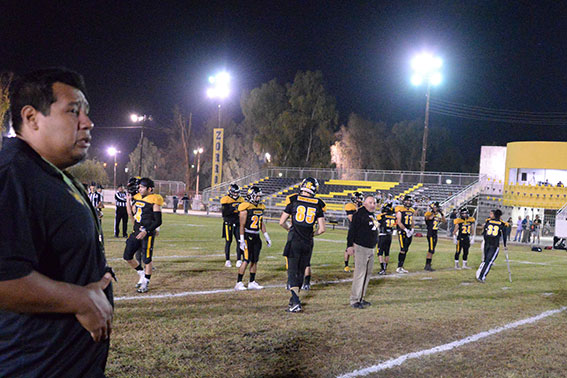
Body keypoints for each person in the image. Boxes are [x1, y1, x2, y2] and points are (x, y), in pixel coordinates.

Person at [0, 68, 113, 376]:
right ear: (32, 117)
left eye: (86, 113)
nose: (87, 123)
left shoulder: (49, 174)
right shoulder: (13, 174)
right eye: (73, 111)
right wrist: (79, 299)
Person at [279, 178, 326, 312]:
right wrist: (312, 234)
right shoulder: (318, 204)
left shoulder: (293, 199)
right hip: (307, 242)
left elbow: (281, 222)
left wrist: (290, 229)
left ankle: (295, 302)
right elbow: (322, 229)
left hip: (294, 240)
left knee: (292, 272)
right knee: (301, 272)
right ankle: (293, 301)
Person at [123, 177, 163, 293]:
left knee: (146, 259)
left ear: (149, 189)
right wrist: (128, 200)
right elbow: (131, 213)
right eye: (139, 187)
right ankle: (141, 273)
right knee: (127, 256)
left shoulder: (155, 200)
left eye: (142, 187)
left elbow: (158, 221)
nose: (139, 189)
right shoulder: (138, 198)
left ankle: (145, 282)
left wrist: (146, 231)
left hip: (147, 234)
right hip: (136, 232)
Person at [234, 186, 271, 291]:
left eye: (259, 196)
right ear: (250, 196)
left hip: (256, 235)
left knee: (255, 260)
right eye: (256, 196)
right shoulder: (245, 207)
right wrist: (241, 239)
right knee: (246, 260)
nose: (258, 198)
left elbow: (261, 222)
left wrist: (266, 235)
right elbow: (242, 225)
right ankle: (239, 282)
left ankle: (252, 282)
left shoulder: (260, 207)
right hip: (247, 235)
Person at [346, 196, 378, 309]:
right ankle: (354, 300)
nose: (373, 204)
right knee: (360, 274)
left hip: (370, 248)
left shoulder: (371, 215)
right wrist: (349, 245)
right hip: (361, 247)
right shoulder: (359, 214)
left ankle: (361, 298)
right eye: (370, 202)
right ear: (365, 203)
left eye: (374, 202)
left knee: (367, 274)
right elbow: (352, 231)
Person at [476, 209, 508, 282]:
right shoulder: (502, 224)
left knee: (485, 260)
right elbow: (504, 235)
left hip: (487, 243)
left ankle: (479, 272)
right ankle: (481, 276)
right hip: (494, 244)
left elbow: (484, 232)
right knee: (489, 261)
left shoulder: (488, 221)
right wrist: (505, 245)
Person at [221, 184, 244, 267]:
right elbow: (225, 213)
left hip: (238, 223)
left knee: (239, 241)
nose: (236, 194)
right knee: (228, 241)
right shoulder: (225, 199)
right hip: (228, 223)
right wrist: (235, 210)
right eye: (234, 193)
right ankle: (227, 260)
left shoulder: (241, 199)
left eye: (237, 193)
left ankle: (239, 259)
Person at [343, 191, 363, 272]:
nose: (360, 199)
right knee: (350, 248)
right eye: (358, 198)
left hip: (361, 230)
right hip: (353, 230)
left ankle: (357, 266)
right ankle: (346, 266)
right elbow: (352, 219)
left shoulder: (362, 206)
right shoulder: (349, 206)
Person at [395, 195, 415, 273]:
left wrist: (412, 229)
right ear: (404, 201)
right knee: (403, 249)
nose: (408, 202)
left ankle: (401, 266)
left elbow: (412, 221)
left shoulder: (412, 210)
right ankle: (399, 267)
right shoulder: (400, 209)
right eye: (407, 201)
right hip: (402, 231)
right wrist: (406, 230)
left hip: (409, 230)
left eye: (410, 201)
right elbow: (399, 222)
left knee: (406, 249)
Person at [423, 202, 446, 271]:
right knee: (431, 249)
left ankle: (428, 265)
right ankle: (427, 265)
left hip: (435, 234)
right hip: (430, 233)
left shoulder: (437, 215)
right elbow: (428, 218)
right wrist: (433, 211)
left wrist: (441, 214)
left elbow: (444, 221)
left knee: (432, 250)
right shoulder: (429, 213)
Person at [376, 202, 396, 275]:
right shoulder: (393, 217)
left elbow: (377, 225)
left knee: (380, 253)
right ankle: (385, 268)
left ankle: (382, 269)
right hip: (389, 236)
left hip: (382, 235)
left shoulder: (381, 216)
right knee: (387, 253)